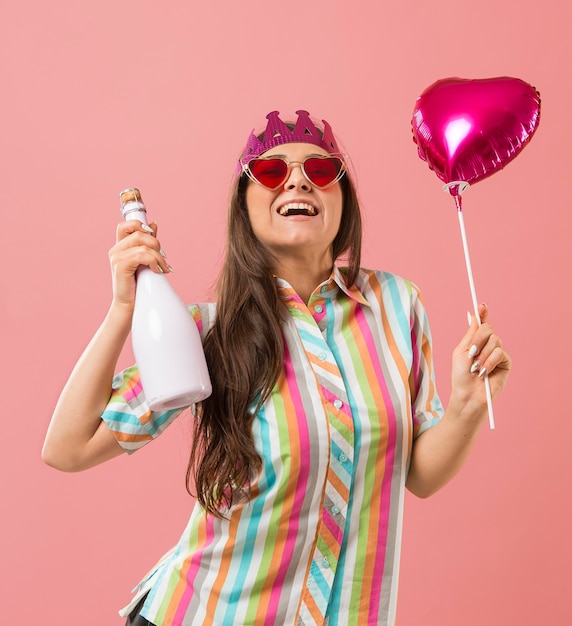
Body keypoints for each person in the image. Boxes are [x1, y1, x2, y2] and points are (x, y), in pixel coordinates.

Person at [43, 110, 511, 626]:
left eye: (320, 170)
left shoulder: (397, 307)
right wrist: (122, 312)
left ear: (343, 199)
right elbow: (68, 448)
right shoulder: (208, 333)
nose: (297, 180)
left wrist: (467, 405)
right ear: (244, 208)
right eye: (270, 173)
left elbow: (418, 476)